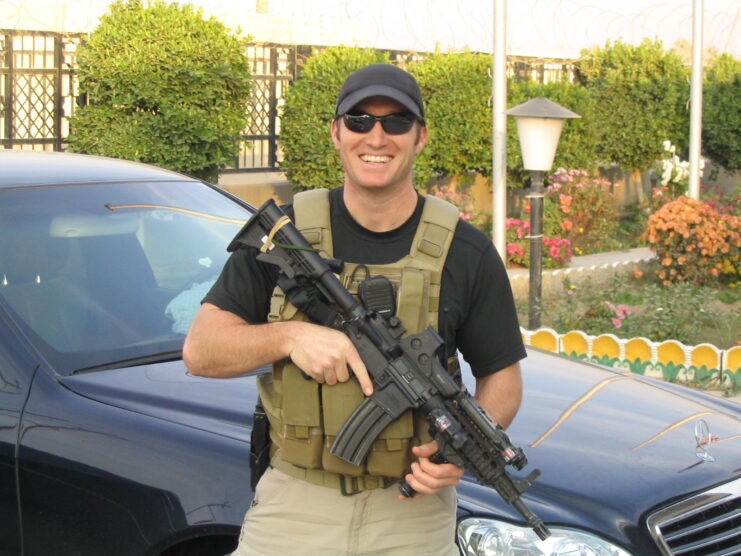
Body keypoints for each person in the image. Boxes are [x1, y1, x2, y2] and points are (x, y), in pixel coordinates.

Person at [183, 63, 526, 556]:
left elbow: (502, 379)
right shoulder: (289, 233)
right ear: (337, 132)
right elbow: (201, 351)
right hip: (295, 508)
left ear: (420, 136)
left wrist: (458, 454)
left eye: (397, 122)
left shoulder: (464, 250)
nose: (377, 136)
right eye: (360, 120)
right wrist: (290, 337)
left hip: (413, 518)